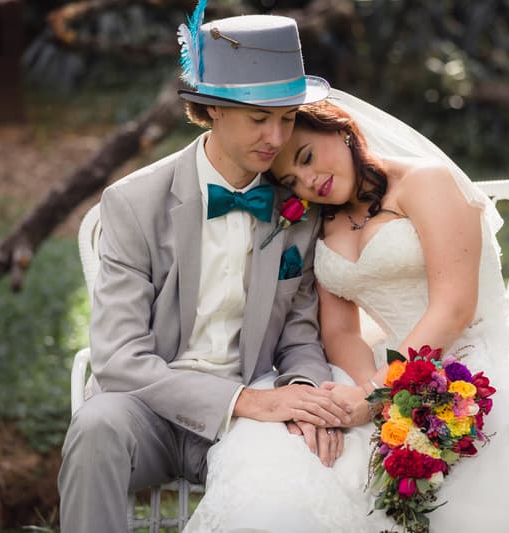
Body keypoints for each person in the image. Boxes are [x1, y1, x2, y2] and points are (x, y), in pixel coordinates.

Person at [187, 89, 509, 532]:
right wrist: (362, 383)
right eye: (294, 183)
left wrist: (380, 398)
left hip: (473, 358)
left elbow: (454, 306)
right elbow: (338, 327)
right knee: (292, 459)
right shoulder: (323, 222)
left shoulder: (426, 182)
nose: (309, 183)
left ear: (340, 128)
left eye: (306, 158)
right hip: (382, 367)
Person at [57, 12, 355, 532]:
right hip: (150, 408)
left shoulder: (299, 209)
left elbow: (300, 335)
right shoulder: (134, 203)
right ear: (212, 110)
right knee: (95, 426)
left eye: (286, 118)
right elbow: (119, 358)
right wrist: (246, 402)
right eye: (258, 118)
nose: (275, 135)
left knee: (303, 481)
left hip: (256, 409)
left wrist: (307, 392)